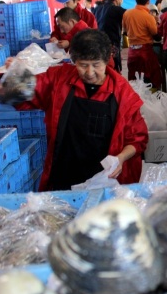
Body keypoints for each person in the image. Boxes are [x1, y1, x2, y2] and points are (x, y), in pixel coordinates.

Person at [15, 29, 148, 191]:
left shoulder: (123, 94)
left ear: (107, 61)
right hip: (63, 177)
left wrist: (120, 158)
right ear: (74, 61)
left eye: (96, 65)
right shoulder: (59, 79)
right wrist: (14, 77)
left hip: (106, 182)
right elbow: (28, 90)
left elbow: (138, 139)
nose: (90, 72)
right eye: (83, 65)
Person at [122, 0, 162, 89]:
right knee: (151, 78)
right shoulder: (148, 17)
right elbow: (156, 36)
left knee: (134, 78)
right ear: (148, 1)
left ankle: (136, 101)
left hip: (131, 52)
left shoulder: (127, 14)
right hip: (145, 53)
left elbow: (125, 32)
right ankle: (151, 101)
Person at [97, 0, 126, 72]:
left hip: (99, 44)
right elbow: (130, 16)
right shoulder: (116, 9)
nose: (122, 2)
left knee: (103, 68)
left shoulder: (98, 9)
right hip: (112, 44)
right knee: (114, 68)